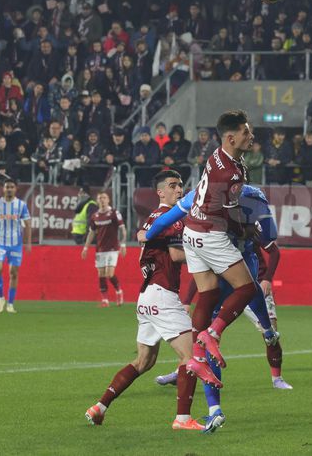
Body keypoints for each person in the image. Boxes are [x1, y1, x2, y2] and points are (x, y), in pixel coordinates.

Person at [143, 184, 293, 433]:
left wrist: (147, 234)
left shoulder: (209, 194)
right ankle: (214, 407)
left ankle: (271, 375)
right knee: (213, 340)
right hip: (234, 274)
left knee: (265, 332)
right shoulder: (244, 196)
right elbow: (268, 234)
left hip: (240, 275)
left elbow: (269, 239)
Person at [84, 170, 202, 431]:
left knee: (143, 362)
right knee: (191, 357)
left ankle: (99, 407)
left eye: (180, 185)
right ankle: (183, 419)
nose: (179, 190)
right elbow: (176, 255)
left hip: (146, 297)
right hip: (162, 295)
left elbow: (146, 241)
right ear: (160, 192)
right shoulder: (172, 220)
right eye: (173, 185)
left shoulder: (152, 218)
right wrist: (205, 253)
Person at [182, 109, 257, 386]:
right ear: (230, 138)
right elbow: (230, 214)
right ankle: (212, 333)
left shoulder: (218, 155)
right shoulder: (230, 173)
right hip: (210, 234)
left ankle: (197, 356)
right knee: (247, 288)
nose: (251, 136)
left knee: (209, 293)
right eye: (246, 132)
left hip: (191, 231)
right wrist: (245, 230)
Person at [0, 179, 31, 314]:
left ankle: (10, 303)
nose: (9, 189)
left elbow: (28, 224)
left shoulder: (21, 205)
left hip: (16, 244)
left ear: (16, 189)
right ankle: (1, 298)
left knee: (13, 273)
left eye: (12, 187)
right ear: (3, 189)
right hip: (0, 243)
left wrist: (28, 243)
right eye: (7, 187)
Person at [81, 191, 127, 307]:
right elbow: (91, 233)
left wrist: (123, 245)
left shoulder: (114, 213)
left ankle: (119, 291)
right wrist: (86, 248)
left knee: (109, 274)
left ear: (108, 200)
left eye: (104, 198)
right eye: (100, 198)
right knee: (101, 274)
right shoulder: (95, 216)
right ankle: (105, 300)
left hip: (112, 248)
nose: (102, 200)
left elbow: (122, 229)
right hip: (100, 249)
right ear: (97, 200)